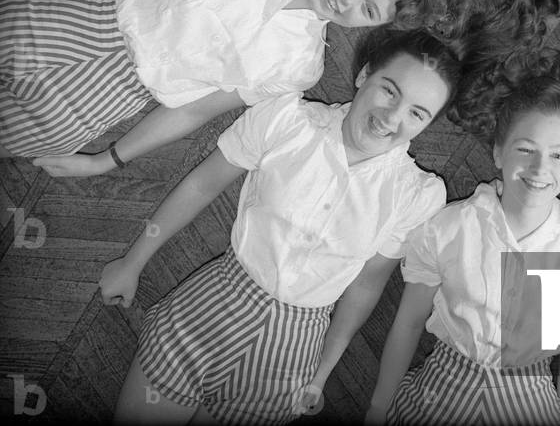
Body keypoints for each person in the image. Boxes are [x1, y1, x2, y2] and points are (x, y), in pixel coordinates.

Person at [97, 30, 460, 425]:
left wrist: (321, 374)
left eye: (417, 113)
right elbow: (202, 185)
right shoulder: (286, 119)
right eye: (389, 91)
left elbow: (366, 286)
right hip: (208, 309)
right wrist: (132, 263)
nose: (393, 117)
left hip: (289, 355)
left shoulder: (416, 195)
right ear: (364, 75)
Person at [0, 0, 439, 175]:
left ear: (369, 26)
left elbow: (194, 110)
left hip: (96, 104)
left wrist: (106, 160)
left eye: (368, 9)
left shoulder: (300, 68)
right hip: (68, 21)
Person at [367, 76, 560, 424]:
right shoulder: (449, 228)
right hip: (438, 396)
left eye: (558, 155)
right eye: (525, 149)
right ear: (498, 152)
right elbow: (408, 323)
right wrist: (379, 407)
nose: (540, 168)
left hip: (531, 403)